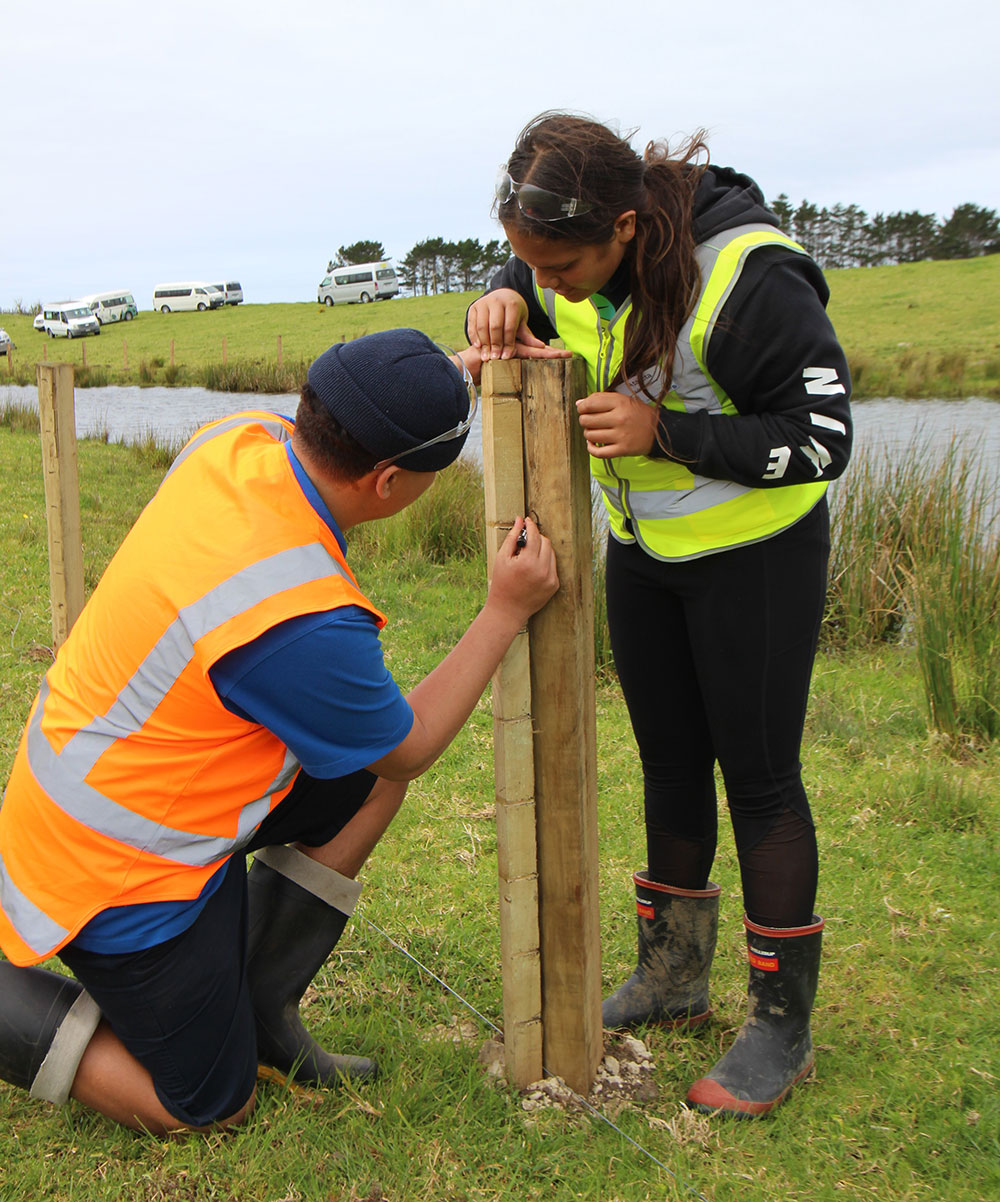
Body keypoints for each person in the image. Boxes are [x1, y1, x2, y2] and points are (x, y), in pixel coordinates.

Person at [0, 329, 558, 1135]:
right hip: (115, 869)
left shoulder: (240, 441)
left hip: (129, 785)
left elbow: (378, 760)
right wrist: (504, 609)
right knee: (209, 1110)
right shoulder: (299, 619)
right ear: (390, 480)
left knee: (364, 776)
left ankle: (261, 997)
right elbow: (412, 744)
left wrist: (444, 376)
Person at [466, 113, 853, 1117]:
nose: (548, 285)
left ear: (628, 226)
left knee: (759, 781)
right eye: (527, 263)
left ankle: (779, 1026)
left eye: (561, 266)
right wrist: (496, 305)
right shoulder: (555, 262)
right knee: (670, 763)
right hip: (644, 554)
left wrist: (664, 431)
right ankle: (673, 976)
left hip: (755, 558)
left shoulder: (751, 276)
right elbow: (525, 287)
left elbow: (822, 438)